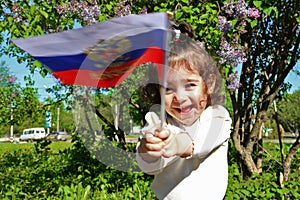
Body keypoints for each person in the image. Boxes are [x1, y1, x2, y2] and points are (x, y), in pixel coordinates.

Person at [136, 21, 232, 200]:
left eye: (190, 85)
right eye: (168, 88)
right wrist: (147, 150)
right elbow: (150, 168)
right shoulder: (158, 123)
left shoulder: (217, 116)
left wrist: (176, 145)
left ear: (209, 83)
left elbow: (199, 144)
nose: (180, 97)